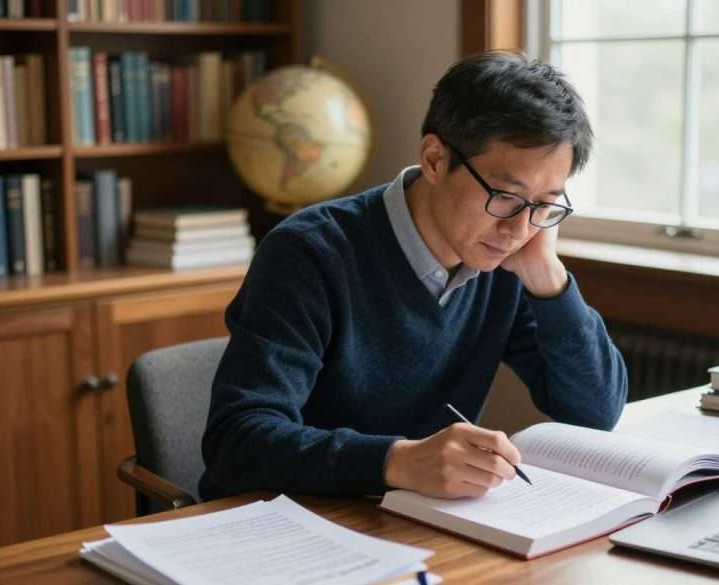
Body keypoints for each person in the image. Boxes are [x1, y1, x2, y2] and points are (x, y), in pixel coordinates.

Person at [199, 50, 627, 501]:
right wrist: (397, 462)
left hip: (409, 520)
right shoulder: (309, 252)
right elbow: (236, 442)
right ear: (435, 160)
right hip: (285, 522)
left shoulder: (506, 260)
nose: (519, 230)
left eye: (545, 205)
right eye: (505, 197)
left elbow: (594, 412)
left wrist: (549, 278)